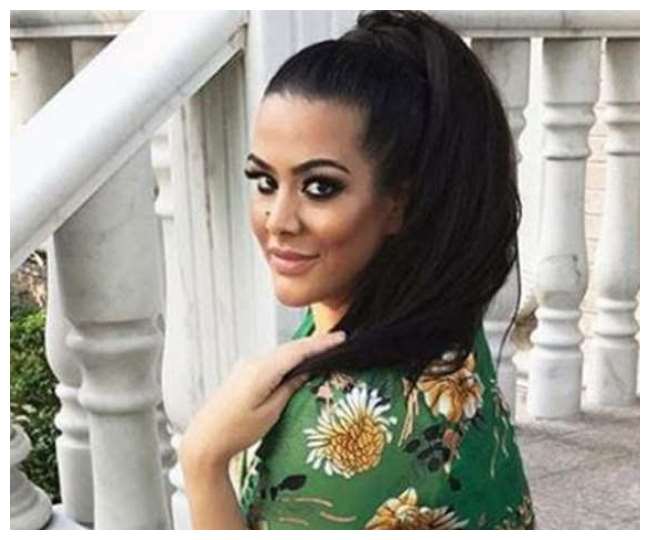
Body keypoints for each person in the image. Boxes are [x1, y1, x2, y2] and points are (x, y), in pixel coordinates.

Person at [179, 10, 535, 530]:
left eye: (320, 187)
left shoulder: (346, 442)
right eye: (265, 181)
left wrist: (202, 460)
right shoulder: (436, 332)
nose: (278, 221)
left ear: (399, 203)